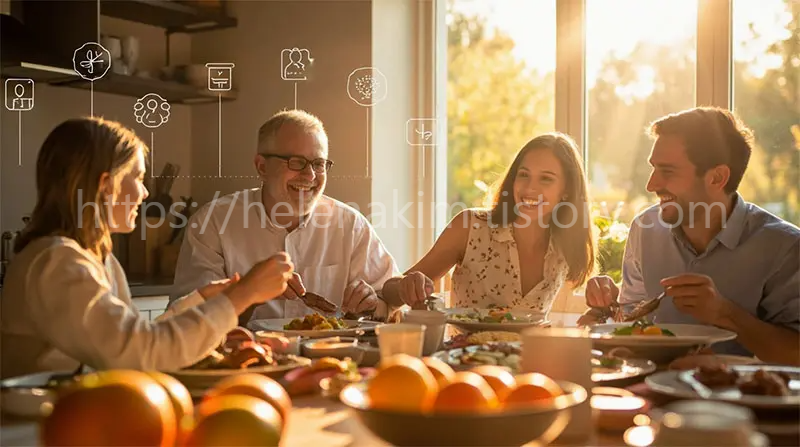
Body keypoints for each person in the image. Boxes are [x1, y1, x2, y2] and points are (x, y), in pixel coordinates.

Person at [0, 117, 295, 379]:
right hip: (38, 419)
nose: (144, 193)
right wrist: (242, 296)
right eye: (139, 178)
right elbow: (141, 354)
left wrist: (202, 301)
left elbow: (135, 339)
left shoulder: (97, 259)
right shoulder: (56, 262)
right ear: (106, 185)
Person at [580, 107, 800, 365]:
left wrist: (725, 313)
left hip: (736, 389)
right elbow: (631, 321)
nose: (651, 185)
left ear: (717, 178)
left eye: (667, 171)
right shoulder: (645, 229)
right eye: (653, 168)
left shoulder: (784, 247)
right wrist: (605, 311)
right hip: (651, 384)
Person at [171, 109, 399, 324]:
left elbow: (390, 308)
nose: (310, 175)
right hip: (246, 353)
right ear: (262, 167)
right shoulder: (212, 223)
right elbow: (187, 323)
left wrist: (372, 305)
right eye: (296, 162)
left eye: (318, 164)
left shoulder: (351, 226)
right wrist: (250, 292)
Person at [381, 132, 595, 316]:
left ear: (567, 190)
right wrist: (405, 286)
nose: (530, 188)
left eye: (546, 178)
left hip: (533, 353)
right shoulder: (470, 226)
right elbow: (388, 293)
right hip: (465, 351)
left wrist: (601, 305)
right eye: (523, 175)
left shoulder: (565, 247)